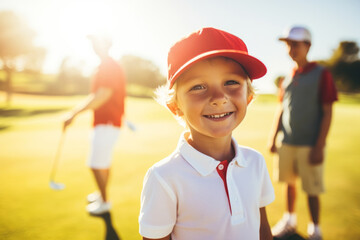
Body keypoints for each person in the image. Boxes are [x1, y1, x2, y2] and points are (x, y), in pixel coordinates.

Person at [139, 27, 275, 240]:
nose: (219, 98)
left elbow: (263, 230)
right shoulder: (164, 177)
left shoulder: (255, 162)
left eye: (231, 82)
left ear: (248, 96)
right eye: (198, 86)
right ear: (175, 106)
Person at [268, 26, 338, 240]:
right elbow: (281, 109)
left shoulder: (321, 74)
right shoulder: (287, 78)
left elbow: (327, 111)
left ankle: (315, 229)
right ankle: (289, 220)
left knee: (311, 188)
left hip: (310, 144)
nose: (291, 49)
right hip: (287, 142)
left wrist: (319, 146)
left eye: (295, 44)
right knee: (289, 183)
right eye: (288, 45)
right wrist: (273, 138)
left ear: (307, 46)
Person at [63, 34, 126, 215]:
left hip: (107, 122)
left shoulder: (109, 65)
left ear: (107, 43)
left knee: (96, 164)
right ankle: (101, 195)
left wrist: (74, 113)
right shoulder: (104, 66)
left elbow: (103, 95)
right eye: (92, 43)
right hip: (106, 122)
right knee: (103, 162)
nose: (93, 46)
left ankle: (105, 202)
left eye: (97, 42)